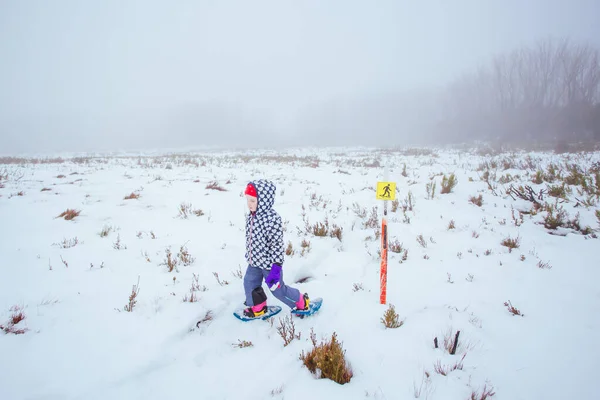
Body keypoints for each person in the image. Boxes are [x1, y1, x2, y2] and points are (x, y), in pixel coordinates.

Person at [242, 179, 310, 318]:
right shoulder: (252, 217)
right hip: (254, 261)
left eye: (253, 201)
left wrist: (276, 266)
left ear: (264, 200)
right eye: (248, 200)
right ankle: (258, 307)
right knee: (249, 283)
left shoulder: (272, 219)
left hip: (269, 264)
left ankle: (301, 300)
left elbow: (277, 245)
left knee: (277, 290)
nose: (249, 204)